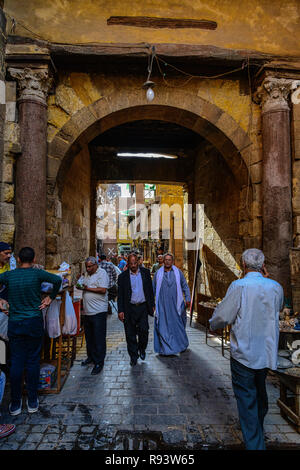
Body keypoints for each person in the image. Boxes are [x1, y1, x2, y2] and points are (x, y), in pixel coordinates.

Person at [209, 248, 284, 451]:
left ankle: (255, 443)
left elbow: (223, 316)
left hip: (244, 353)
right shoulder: (276, 287)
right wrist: (268, 280)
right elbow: (277, 307)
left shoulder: (239, 286)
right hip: (265, 352)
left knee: (246, 397)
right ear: (263, 265)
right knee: (260, 392)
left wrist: (212, 323)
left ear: (243, 264)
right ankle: (257, 429)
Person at [0, 247, 62, 416]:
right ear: (34, 260)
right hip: (34, 322)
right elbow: (57, 280)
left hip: (16, 323)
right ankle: (32, 400)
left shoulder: (9, 275)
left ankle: (15, 402)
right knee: (33, 361)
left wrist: (1, 301)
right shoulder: (37, 274)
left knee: (16, 362)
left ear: (18, 260)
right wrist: (50, 297)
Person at [118, 253, 155, 366]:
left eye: (135, 263)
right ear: (128, 263)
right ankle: (133, 356)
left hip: (143, 307)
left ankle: (142, 349)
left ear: (138, 262)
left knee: (144, 331)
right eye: (131, 263)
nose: (133, 265)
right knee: (130, 334)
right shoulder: (123, 277)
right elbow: (120, 295)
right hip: (129, 308)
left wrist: (152, 304)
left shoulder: (145, 273)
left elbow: (149, 290)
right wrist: (120, 310)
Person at [153, 253, 191, 356]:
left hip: (176, 305)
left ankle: (181, 345)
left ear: (172, 261)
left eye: (169, 260)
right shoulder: (158, 274)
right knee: (163, 327)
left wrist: (188, 298)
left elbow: (185, 286)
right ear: (163, 261)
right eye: (166, 260)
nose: (167, 261)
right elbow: (153, 290)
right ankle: (166, 349)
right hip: (162, 306)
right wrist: (152, 304)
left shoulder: (178, 273)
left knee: (178, 326)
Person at [78, 256, 109, 375]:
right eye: (87, 267)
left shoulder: (102, 273)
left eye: (90, 266)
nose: (88, 268)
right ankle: (90, 357)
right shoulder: (86, 274)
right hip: (87, 311)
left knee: (99, 338)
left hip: (99, 311)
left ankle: (99, 362)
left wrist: (87, 288)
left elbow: (103, 290)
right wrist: (79, 284)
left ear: (96, 265)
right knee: (89, 337)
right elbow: (82, 285)